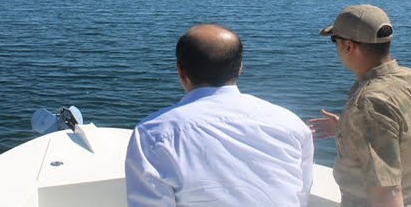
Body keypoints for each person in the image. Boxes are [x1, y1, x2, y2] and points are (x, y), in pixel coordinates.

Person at [125, 24, 314, 206]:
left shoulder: (153, 134)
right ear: (240, 67)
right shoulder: (292, 124)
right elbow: (301, 194)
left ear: (180, 71)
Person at [309, 5, 411, 207]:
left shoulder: (368, 105)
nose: (335, 47)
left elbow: (387, 191)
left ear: (348, 46)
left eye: (334, 40)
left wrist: (361, 121)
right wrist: (344, 128)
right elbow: (403, 135)